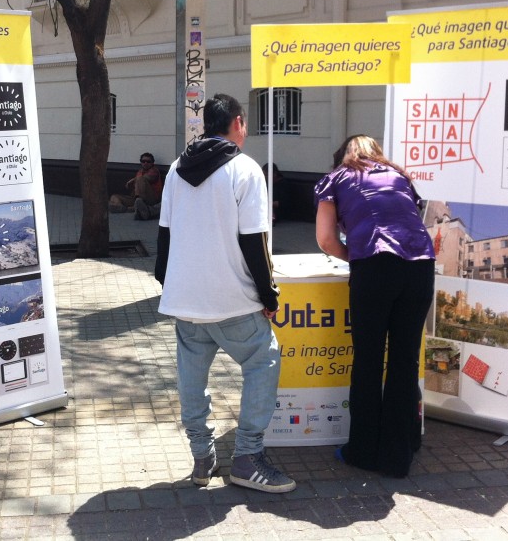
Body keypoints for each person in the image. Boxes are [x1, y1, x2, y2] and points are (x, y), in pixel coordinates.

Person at [155, 94, 296, 494]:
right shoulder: (246, 169)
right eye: (245, 124)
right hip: (231, 298)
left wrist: (169, 283)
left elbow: (163, 233)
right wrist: (269, 296)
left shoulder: (175, 168)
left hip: (186, 299)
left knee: (191, 375)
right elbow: (255, 242)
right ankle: (248, 458)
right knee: (262, 362)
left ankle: (202, 456)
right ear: (236, 123)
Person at [314, 135, 436, 478]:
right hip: (420, 265)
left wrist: (354, 255)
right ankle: (401, 451)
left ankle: (364, 451)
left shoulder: (336, 178)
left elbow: (325, 239)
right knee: (404, 359)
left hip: (375, 267)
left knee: (368, 359)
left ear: (342, 157)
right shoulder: (399, 175)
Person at [109, 152, 164, 220]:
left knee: (140, 179)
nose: (145, 163)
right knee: (114, 197)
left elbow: (146, 178)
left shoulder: (154, 171)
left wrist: (133, 180)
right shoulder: (139, 172)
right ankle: (125, 209)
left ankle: (137, 205)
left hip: (151, 199)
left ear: (152, 163)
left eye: (148, 161)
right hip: (135, 198)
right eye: (143, 161)